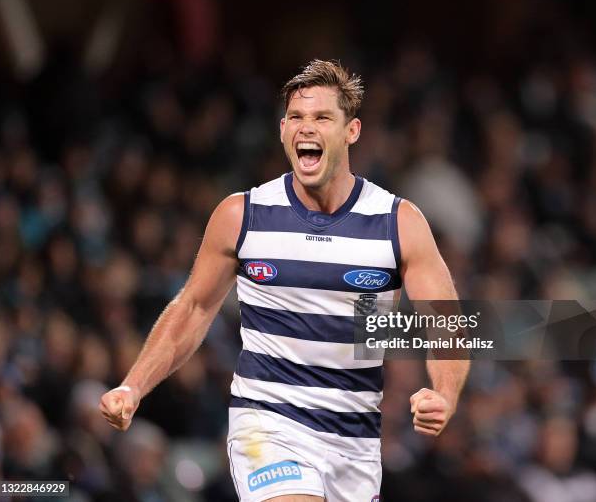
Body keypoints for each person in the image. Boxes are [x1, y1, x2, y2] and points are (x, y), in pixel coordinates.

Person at [99, 59, 470, 502]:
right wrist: (133, 385)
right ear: (281, 130)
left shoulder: (398, 222)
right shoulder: (242, 215)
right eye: (296, 117)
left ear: (351, 131)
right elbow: (194, 307)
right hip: (266, 426)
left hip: (354, 443)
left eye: (321, 118)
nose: (305, 127)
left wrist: (444, 394)